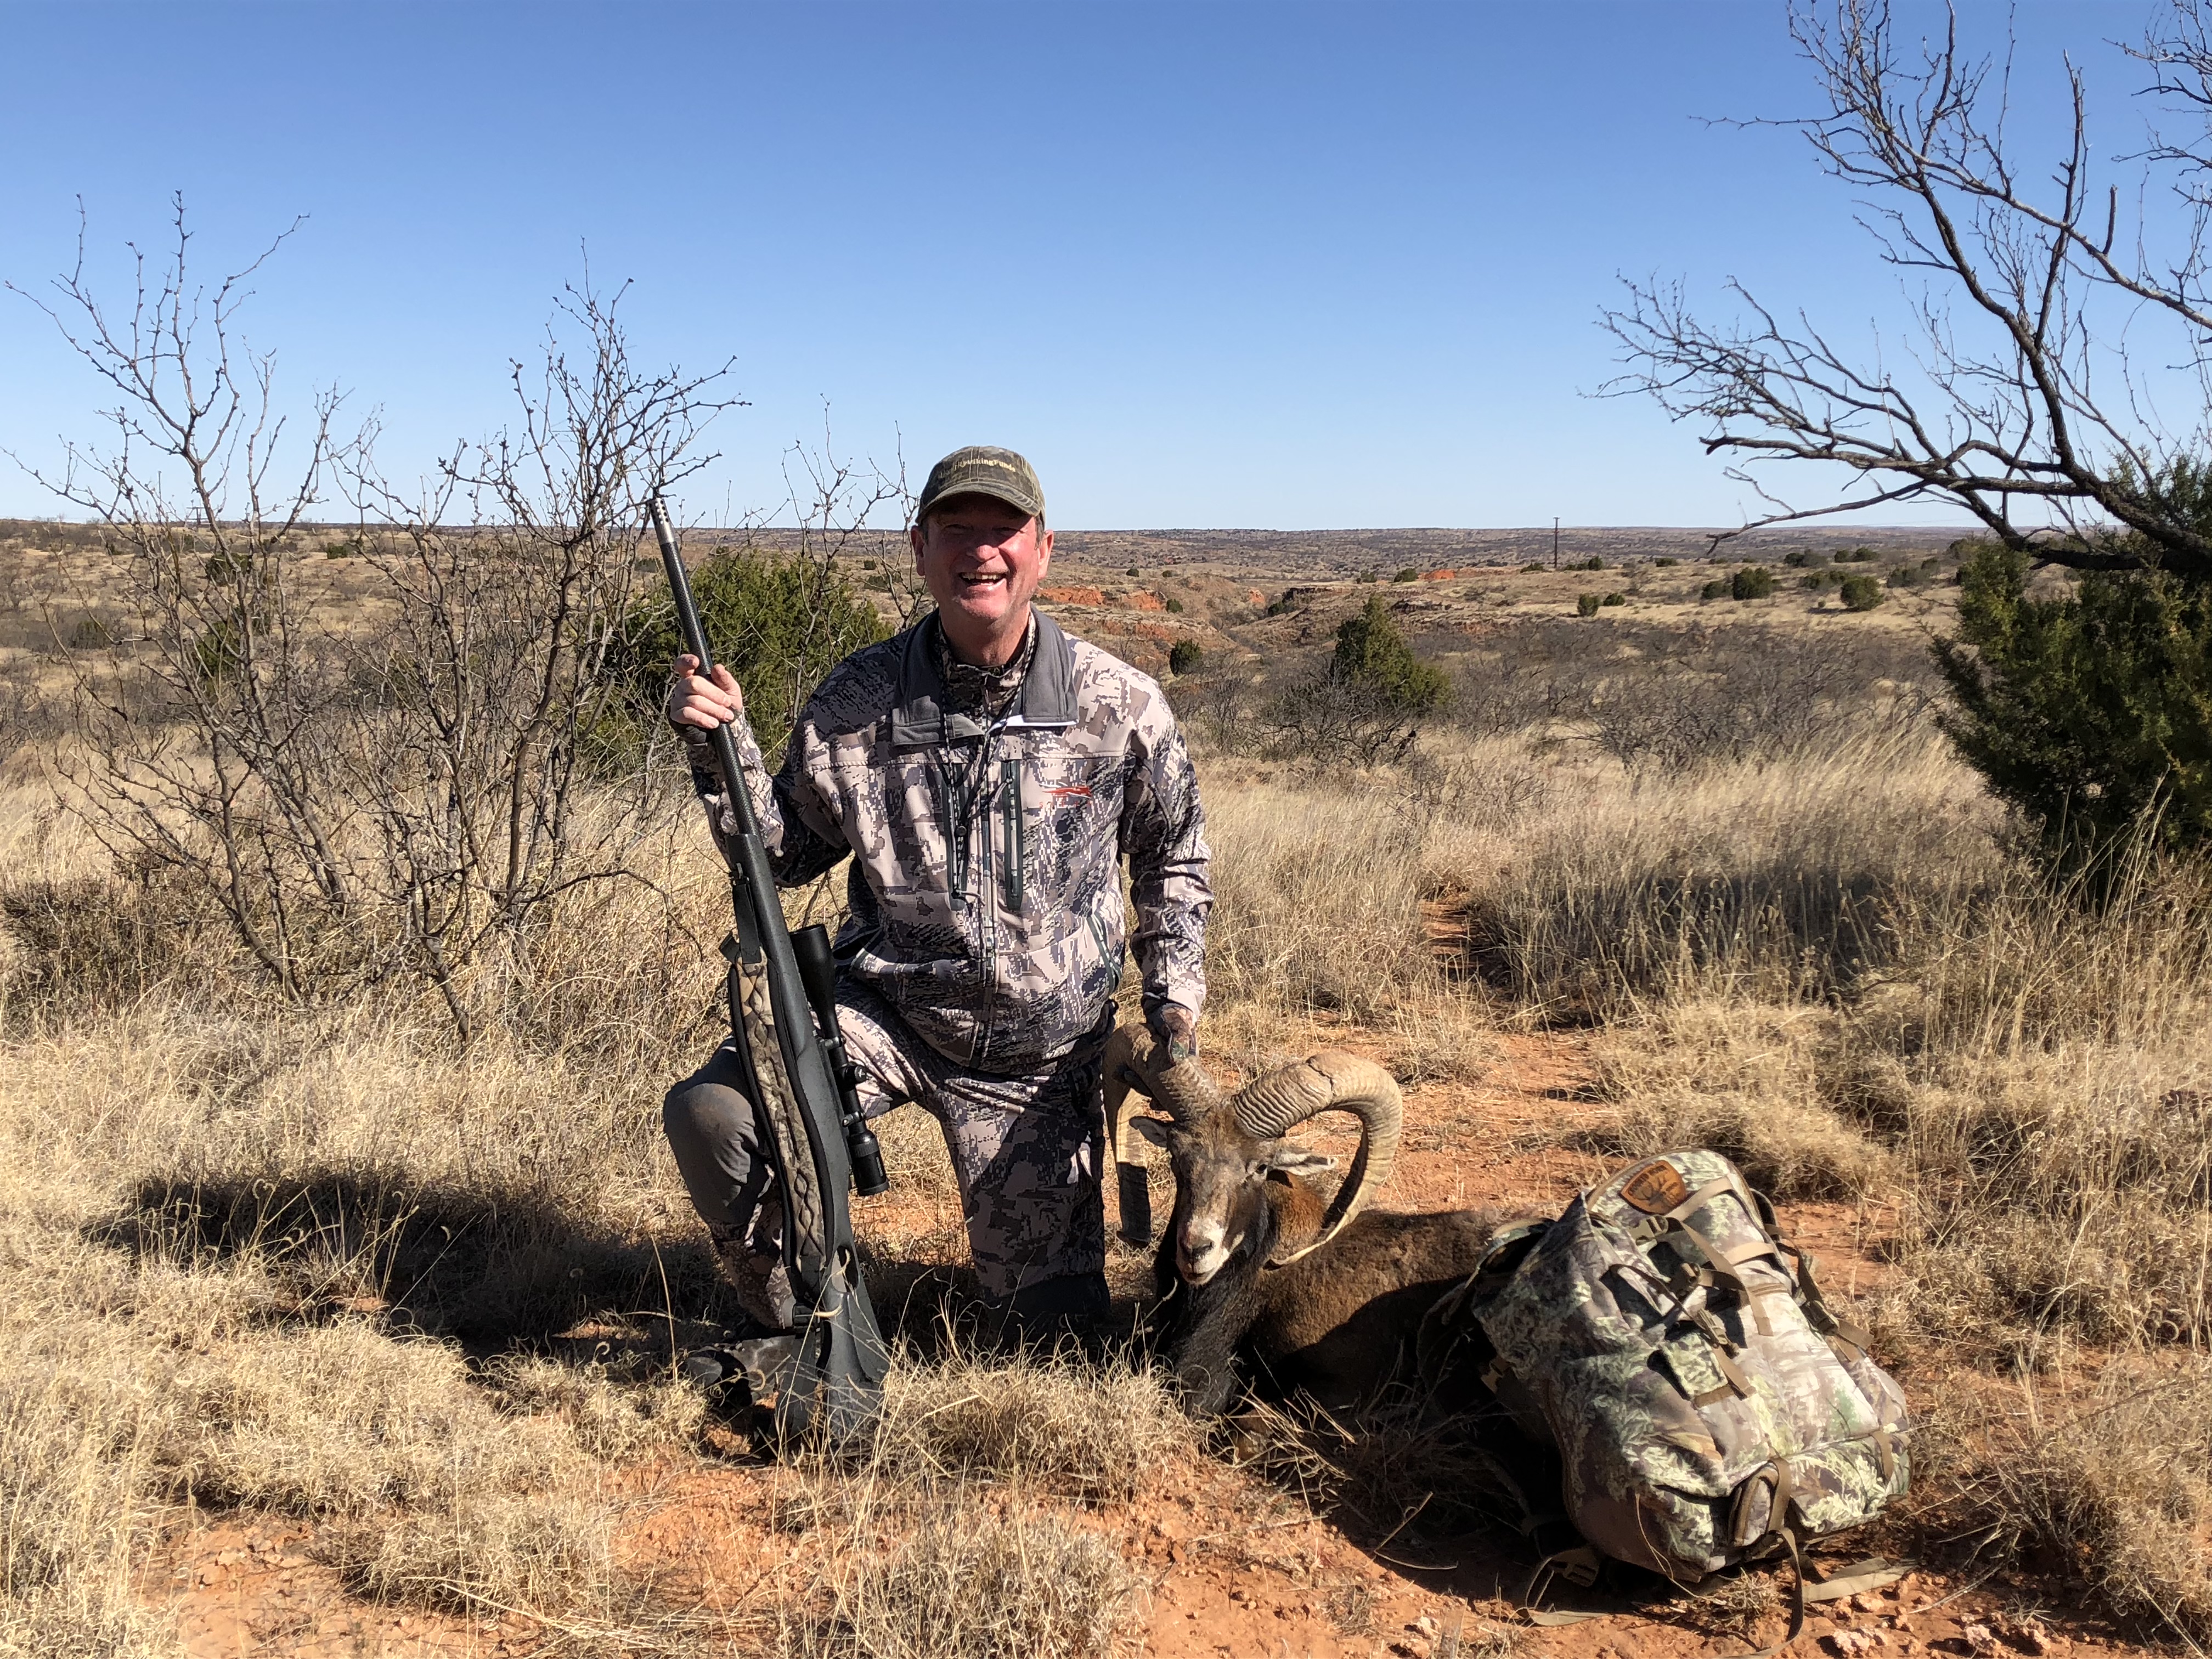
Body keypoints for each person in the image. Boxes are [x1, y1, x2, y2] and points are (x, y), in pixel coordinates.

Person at [661, 445, 1211, 1358]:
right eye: (957, 531)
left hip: (1043, 1061)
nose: (980, 552)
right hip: (887, 1014)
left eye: (1003, 531)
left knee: (1055, 1345)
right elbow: (785, 854)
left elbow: (1173, 859)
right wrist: (721, 750)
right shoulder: (856, 700)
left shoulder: (1119, 704)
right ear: (920, 548)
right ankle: (804, 1324)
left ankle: (1024, 1282)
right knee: (715, 1116)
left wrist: (1174, 1007)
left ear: (1043, 550)